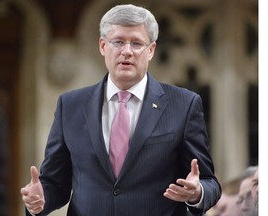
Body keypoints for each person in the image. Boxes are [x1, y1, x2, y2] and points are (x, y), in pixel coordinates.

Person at [20, 4, 221, 216]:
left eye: (136, 43)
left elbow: (210, 184)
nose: (126, 51)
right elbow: (54, 183)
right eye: (118, 42)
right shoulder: (70, 106)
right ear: (102, 46)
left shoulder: (183, 104)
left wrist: (197, 193)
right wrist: (39, 200)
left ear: (151, 50)